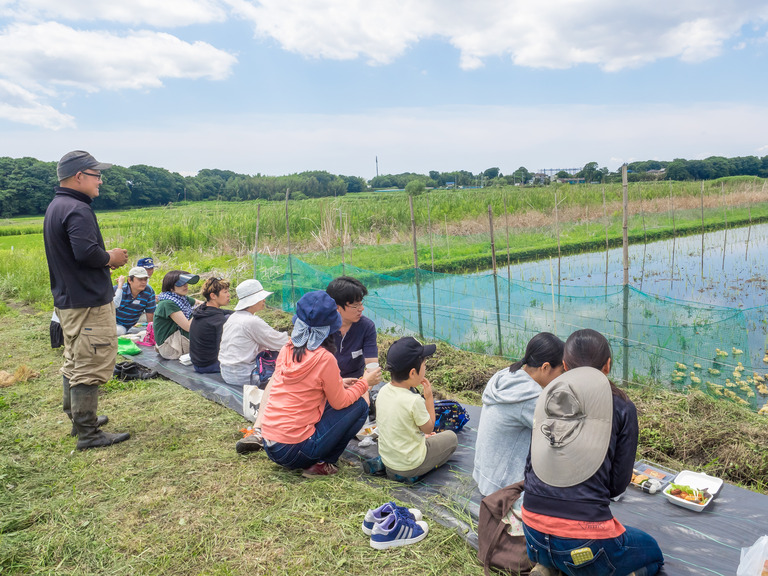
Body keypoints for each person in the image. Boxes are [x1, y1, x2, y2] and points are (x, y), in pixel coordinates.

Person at [521, 329, 664, 576]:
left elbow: (530, 467)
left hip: (532, 531)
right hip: (584, 543)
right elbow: (617, 486)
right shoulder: (621, 406)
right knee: (651, 552)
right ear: (607, 366)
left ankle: (547, 564)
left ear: (564, 365)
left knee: (563, 550)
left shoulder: (547, 397)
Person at [43, 150, 130, 449]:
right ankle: (88, 433)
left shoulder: (57, 205)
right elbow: (86, 254)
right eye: (97, 175)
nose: (101, 181)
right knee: (89, 363)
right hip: (87, 301)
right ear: (79, 176)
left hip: (69, 299)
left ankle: (78, 420)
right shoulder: (77, 209)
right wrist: (112, 258)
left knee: (75, 359)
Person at [260, 291, 380, 477]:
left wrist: (339, 382)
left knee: (344, 399)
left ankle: (316, 457)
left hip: (270, 443)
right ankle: (323, 463)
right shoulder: (324, 358)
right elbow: (340, 403)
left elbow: (305, 387)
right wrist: (365, 383)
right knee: (360, 406)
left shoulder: (287, 348)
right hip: (295, 451)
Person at [473, 332, 564, 496]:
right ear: (545, 367)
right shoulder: (530, 397)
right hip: (501, 489)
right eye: (561, 371)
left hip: (484, 475)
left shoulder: (507, 376)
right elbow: (559, 436)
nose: (562, 378)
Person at [375, 337, 458, 482]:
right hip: (410, 465)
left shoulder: (382, 391)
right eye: (424, 364)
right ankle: (414, 474)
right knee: (452, 438)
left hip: (389, 461)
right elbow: (429, 428)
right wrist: (429, 398)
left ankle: (388, 467)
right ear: (413, 373)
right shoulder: (414, 400)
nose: (425, 368)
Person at [219, 279, 289, 384]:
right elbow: (280, 342)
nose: (264, 300)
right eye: (261, 298)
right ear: (253, 301)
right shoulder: (252, 322)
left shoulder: (234, 317)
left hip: (227, 372)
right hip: (244, 375)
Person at [326, 276, 378, 379]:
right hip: (326, 383)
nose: (361, 309)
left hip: (355, 383)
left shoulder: (366, 327)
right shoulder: (321, 327)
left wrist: (363, 388)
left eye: (361, 304)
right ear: (337, 307)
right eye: (355, 306)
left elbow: (372, 366)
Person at [153, 270, 202, 360]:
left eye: (186, 283)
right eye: (181, 284)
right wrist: (198, 310)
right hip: (170, 347)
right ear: (171, 287)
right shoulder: (168, 303)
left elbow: (199, 302)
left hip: (175, 340)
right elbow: (187, 327)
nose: (186, 285)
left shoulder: (181, 298)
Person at [189, 277, 234, 373]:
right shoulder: (217, 320)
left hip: (197, 363)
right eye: (225, 292)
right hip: (209, 365)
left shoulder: (202, 309)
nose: (229, 295)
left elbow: (223, 312)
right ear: (213, 296)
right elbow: (224, 349)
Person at [114, 266, 156, 335]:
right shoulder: (119, 290)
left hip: (130, 326)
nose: (143, 282)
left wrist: (151, 332)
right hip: (114, 324)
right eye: (140, 279)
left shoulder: (148, 291)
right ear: (130, 280)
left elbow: (150, 313)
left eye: (145, 279)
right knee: (119, 331)